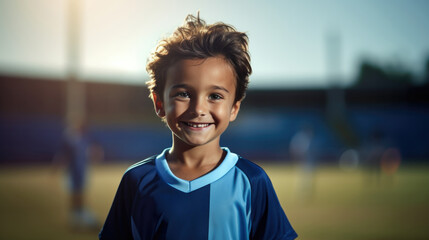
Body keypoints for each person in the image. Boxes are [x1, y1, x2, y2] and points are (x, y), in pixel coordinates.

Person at [99, 13, 297, 240]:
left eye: (214, 95)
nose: (198, 108)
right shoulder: (136, 180)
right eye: (183, 94)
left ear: (234, 108)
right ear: (159, 103)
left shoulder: (252, 181)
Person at [53, 119, 102, 230]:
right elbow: (64, 155)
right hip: (74, 171)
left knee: (79, 193)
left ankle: (79, 215)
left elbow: (91, 153)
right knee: (76, 193)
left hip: (81, 170)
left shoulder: (84, 140)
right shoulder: (72, 140)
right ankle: (76, 217)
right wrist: (56, 168)